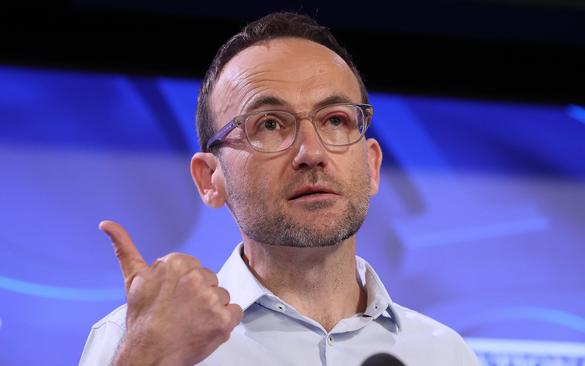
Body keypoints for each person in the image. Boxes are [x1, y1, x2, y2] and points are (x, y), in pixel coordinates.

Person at [80, 12, 479, 366]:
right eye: (269, 124)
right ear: (209, 179)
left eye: (336, 120)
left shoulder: (444, 354)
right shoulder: (137, 344)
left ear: (372, 166)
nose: (312, 152)